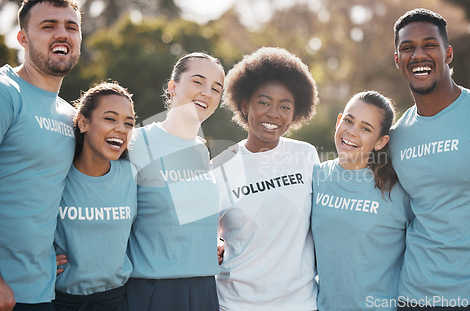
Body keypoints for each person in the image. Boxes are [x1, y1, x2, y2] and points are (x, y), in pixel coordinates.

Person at [391, 8, 470, 310]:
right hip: (413, 297)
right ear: (398, 60)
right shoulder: (396, 136)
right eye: (408, 48)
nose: (419, 55)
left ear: (447, 53)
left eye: (429, 45)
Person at [212, 47, 319, 310]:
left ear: (295, 114)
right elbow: (196, 232)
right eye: (264, 102)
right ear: (245, 104)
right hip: (236, 304)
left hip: (300, 303)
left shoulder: (306, 155)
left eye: (285, 106)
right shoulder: (221, 166)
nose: (274, 113)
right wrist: (213, 242)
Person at [125, 52, 224, 311]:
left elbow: (183, 218)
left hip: (203, 291)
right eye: (198, 82)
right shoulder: (136, 142)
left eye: (216, 89)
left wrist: (208, 243)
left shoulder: (202, 150)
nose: (207, 92)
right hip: (153, 291)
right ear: (173, 87)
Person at [0, 0, 81, 310]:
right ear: (23, 38)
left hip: (44, 291)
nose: (62, 34)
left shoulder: (70, 116)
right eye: (48, 26)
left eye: (71, 27)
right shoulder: (6, 93)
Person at [311, 91, 413, 311]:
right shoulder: (315, 177)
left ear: (380, 142)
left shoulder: (398, 190)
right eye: (348, 121)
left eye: (366, 128)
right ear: (338, 121)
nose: (352, 132)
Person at [52, 81, 137, 310]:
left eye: (128, 123)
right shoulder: (56, 175)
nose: (121, 128)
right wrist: (37, 259)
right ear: (83, 122)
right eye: (110, 118)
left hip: (116, 300)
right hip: (62, 300)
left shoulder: (133, 175)